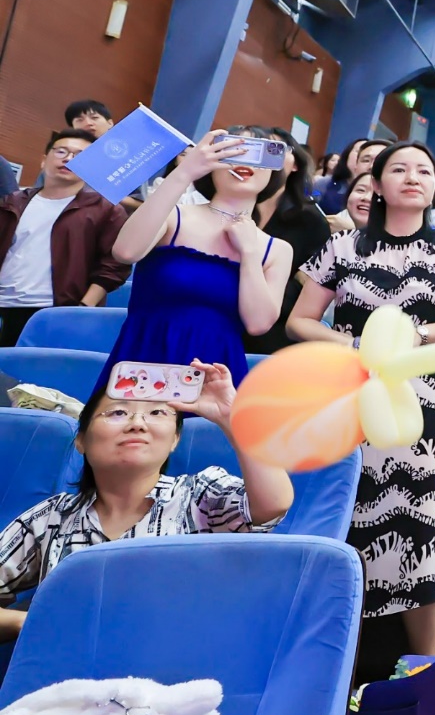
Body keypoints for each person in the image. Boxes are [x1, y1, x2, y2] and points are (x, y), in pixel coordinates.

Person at [290, 142, 435, 654]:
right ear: (376, 184)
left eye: (424, 170)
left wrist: (419, 335)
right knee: (346, 516)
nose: (413, 177)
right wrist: (352, 345)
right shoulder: (344, 247)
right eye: (399, 169)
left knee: (420, 525)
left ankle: (422, 662)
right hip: (349, 395)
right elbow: (300, 321)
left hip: (423, 401)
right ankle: (340, 652)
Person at [0, 363, 292, 639]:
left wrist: (233, 417)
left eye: (157, 413)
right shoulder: (52, 516)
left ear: (174, 440)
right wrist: (29, 622)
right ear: (81, 440)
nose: (137, 423)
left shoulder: (199, 495)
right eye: (117, 412)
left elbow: (273, 503)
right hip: (66, 669)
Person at [103, 130, 292, 392]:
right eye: (232, 151)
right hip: (146, 356)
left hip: (216, 370)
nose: (244, 160)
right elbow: (125, 252)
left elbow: (258, 324)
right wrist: (184, 173)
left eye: (255, 153)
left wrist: (249, 252)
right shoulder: (173, 216)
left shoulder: (277, 249)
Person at [0, 129, 129, 345]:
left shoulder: (105, 211)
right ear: (44, 160)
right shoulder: (12, 202)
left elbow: (113, 266)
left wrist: (84, 306)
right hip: (4, 304)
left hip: (56, 312)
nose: (68, 159)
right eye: (61, 151)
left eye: (80, 156)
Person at [252, 132, 333, 354]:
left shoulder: (310, 219)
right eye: (263, 148)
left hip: (276, 324)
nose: (269, 155)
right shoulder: (236, 206)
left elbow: (308, 283)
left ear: (295, 164)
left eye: (278, 148)